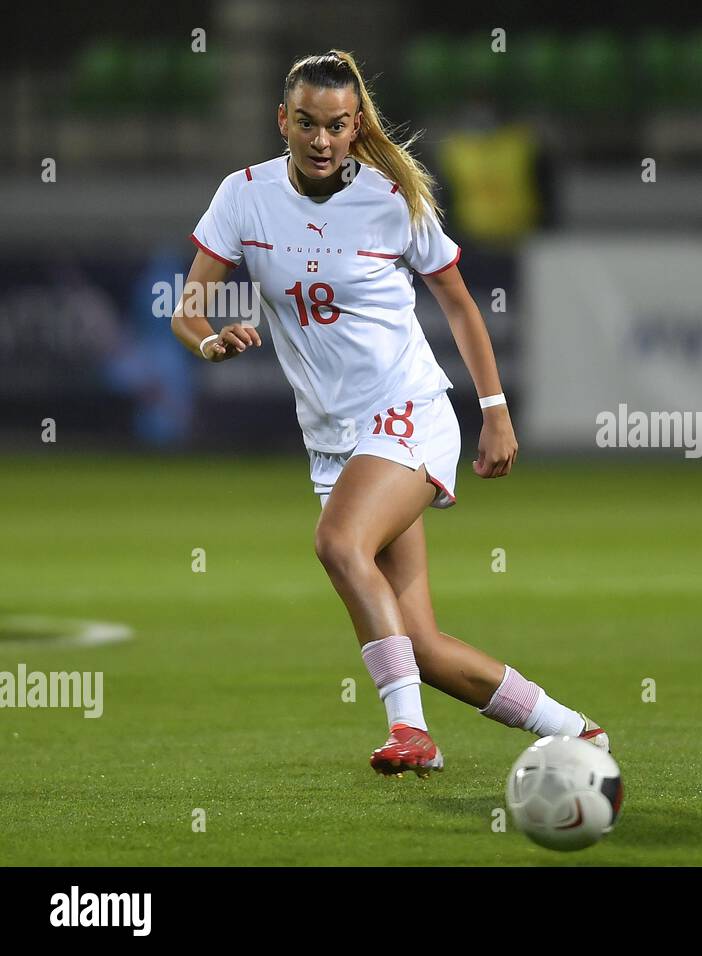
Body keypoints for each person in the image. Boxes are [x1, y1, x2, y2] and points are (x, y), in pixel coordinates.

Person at [170, 50, 607, 778]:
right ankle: (578, 732)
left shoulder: (392, 197)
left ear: (356, 125)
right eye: (306, 123)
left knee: (339, 544)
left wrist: (495, 410)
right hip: (333, 441)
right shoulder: (242, 197)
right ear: (283, 119)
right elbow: (188, 307)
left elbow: (462, 307)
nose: (320, 139)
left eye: (337, 126)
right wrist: (210, 341)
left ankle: (411, 733)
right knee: (423, 646)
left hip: (408, 412)